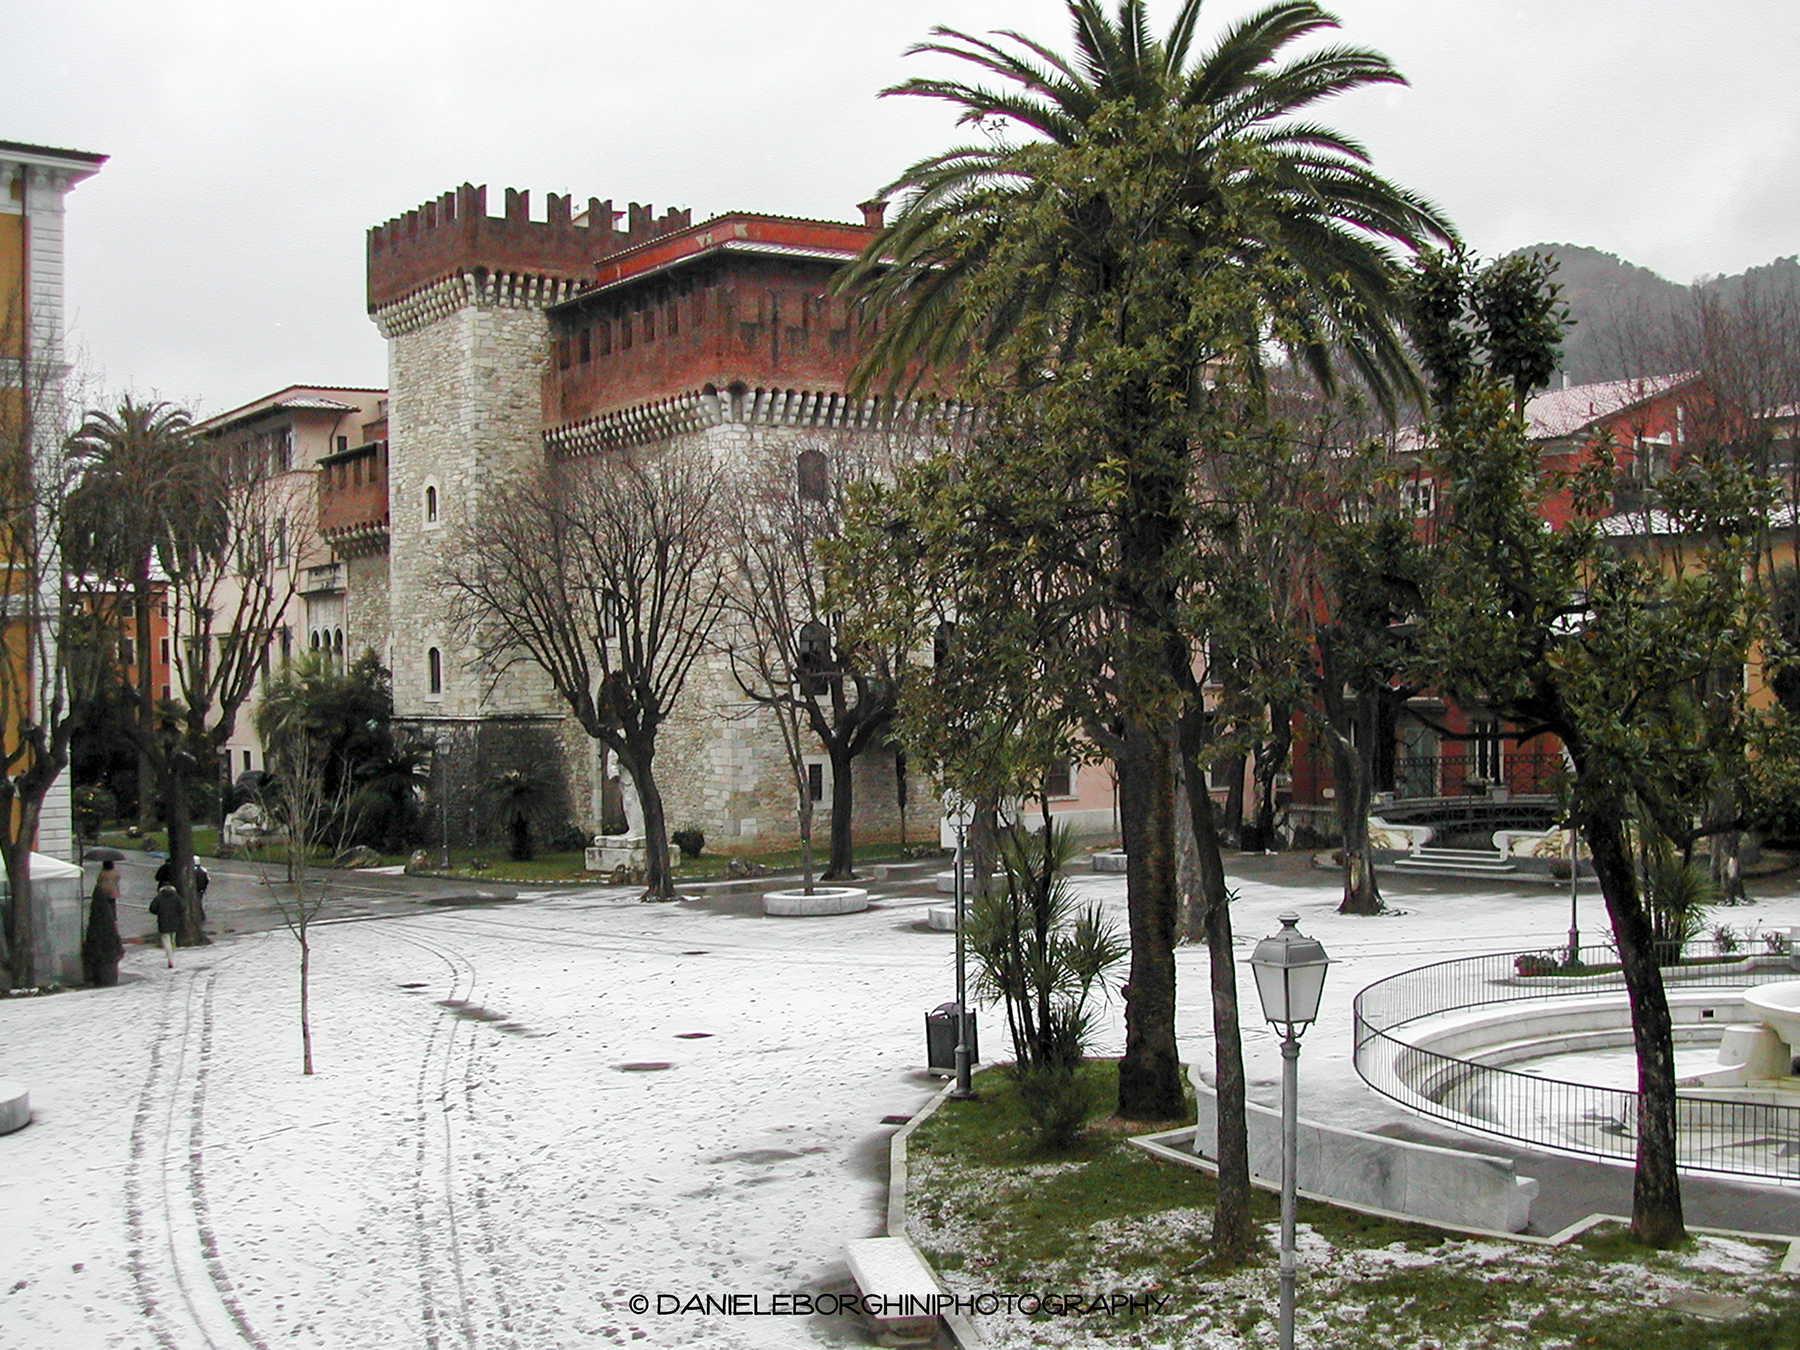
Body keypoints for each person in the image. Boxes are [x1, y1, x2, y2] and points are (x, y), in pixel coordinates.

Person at [81, 860, 124, 986]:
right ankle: (112, 920)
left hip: (103, 895)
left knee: (104, 911)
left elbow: (98, 882)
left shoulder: (102, 874)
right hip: (112, 895)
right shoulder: (115, 873)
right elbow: (117, 881)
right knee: (110, 912)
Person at [148, 883, 180, 969]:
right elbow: (183, 907)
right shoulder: (176, 897)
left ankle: (170, 959)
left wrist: (159, 912)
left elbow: (152, 908)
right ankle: (172, 955)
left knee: (166, 941)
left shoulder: (159, 898)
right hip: (174, 922)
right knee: (173, 940)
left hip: (163, 922)